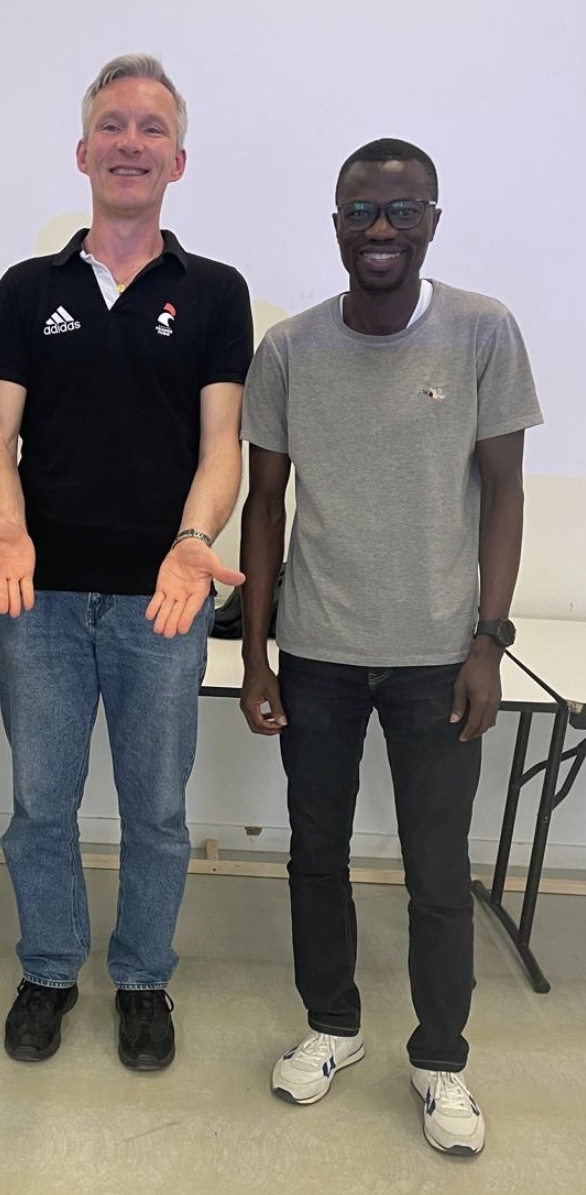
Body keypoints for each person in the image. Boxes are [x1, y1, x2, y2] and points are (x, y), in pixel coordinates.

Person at [239, 138, 542, 1154]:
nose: (382, 230)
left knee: (437, 871)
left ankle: (441, 1058)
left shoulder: (483, 332)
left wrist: (488, 640)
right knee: (315, 854)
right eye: (363, 211)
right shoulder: (289, 349)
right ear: (335, 225)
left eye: (403, 211)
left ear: (433, 222)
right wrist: (256, 653)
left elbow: (504, 495)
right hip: (317, 650)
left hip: (438, 656)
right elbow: (265, 504)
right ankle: (333, 1024)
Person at [0, 54, 253, 1070]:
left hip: (161, 602)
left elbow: (222, 446)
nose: (131, 143)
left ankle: (142, 977)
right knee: (41, 804)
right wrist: (7, 517)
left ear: (178, 160)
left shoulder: (213, 293)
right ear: (83, 153)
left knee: (156, 811)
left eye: (152, 129)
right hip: (35, 596)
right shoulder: (26, 289)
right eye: (113, 127)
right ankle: (47, 969)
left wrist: (193, 540)